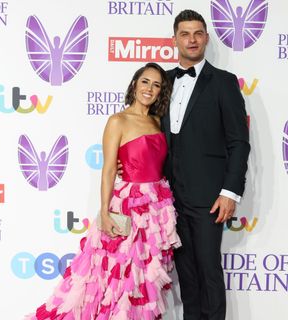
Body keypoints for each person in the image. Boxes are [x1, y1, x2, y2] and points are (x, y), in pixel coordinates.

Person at [23, 62, 181, 320]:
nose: (149, 89)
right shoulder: (118, 120)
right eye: (145, 82)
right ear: (134, 84)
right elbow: (109, 169)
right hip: (127, 207)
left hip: (155, 211)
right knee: (114, 277)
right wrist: (105, 213)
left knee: (142, 279)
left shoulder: (157, 121)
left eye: (156, 85)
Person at [161, 10, 250, 320]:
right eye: (185, 34)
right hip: (168, 198)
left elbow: (238, 141)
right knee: (186, 276)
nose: (192, 39)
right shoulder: (163, 81)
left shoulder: (223, 82)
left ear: (207, 38)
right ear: (174, 39)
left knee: (209, 271)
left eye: (198, 33)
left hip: (209, 197)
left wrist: (230, 192)